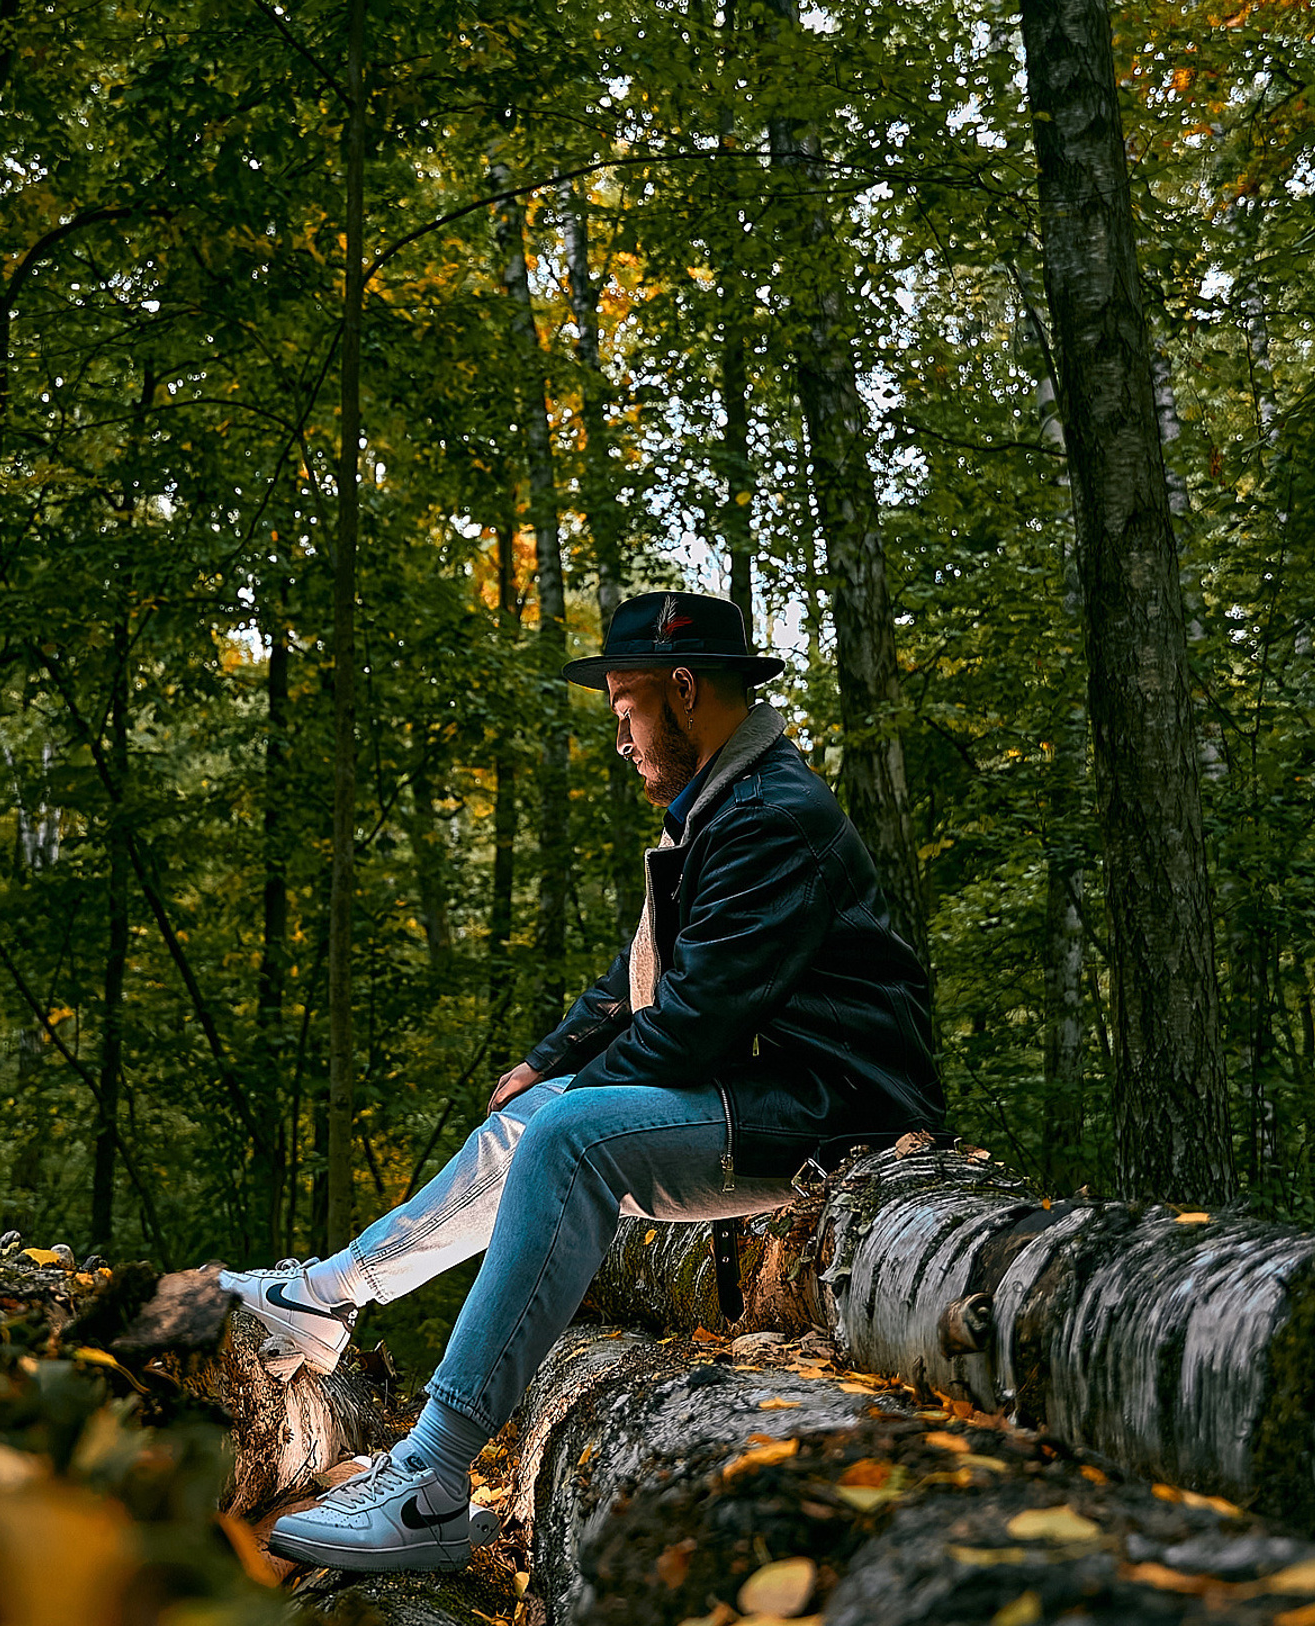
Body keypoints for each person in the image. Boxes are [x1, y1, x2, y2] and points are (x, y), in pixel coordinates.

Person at [222, 590, 943, 1572]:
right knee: (543, 1114)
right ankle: (325, 1296)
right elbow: (644, 971)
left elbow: (691, 1026)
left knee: (568, 1136)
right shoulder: (726, 803)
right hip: (771, 1089)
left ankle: (431, 1482)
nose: (619, 737)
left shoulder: (775, 817)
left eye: (625, 710)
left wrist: (570, 1102)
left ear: (682, 690)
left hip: (835, 1113)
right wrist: (550, 1060)